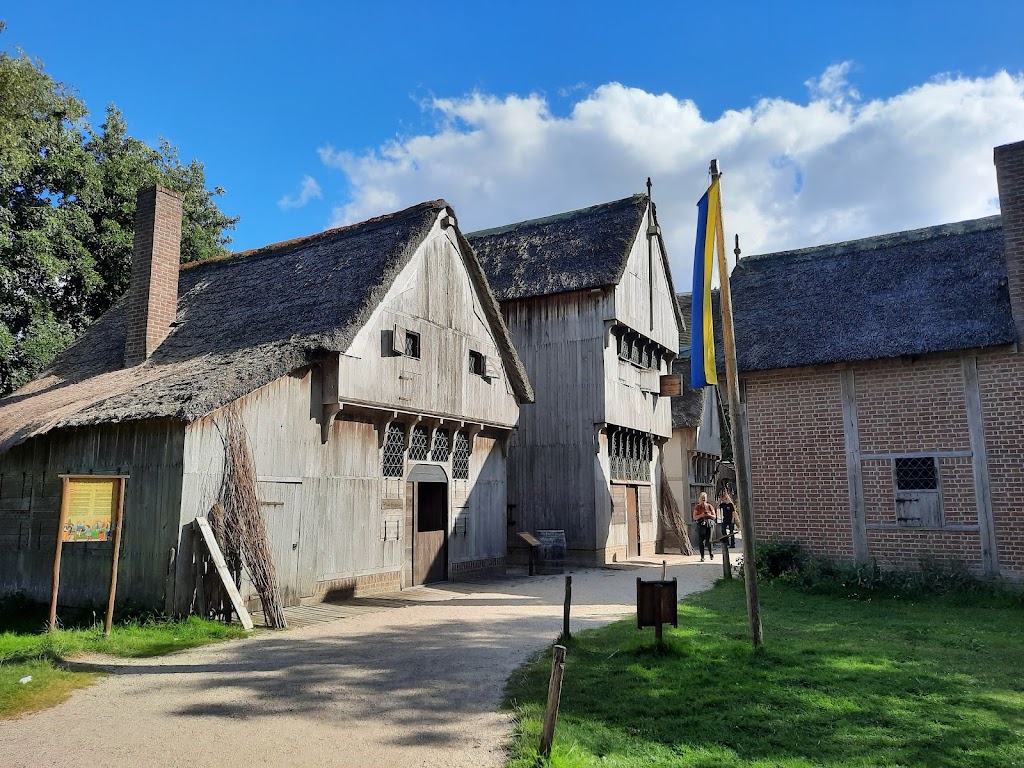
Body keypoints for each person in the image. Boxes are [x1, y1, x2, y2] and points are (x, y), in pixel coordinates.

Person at [693, 491, 716, 562]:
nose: (703, 500)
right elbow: (694, 517)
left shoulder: (709, 506)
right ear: (700, 498)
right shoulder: (697, 507)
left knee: (709, 540)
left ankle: (711, 553)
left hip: (709, 524)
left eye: (704, 498)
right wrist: (701, 515)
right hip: (701, 524)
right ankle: (702, 556)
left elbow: (714, 516)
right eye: (702, 498)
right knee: (701, 541)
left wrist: (708, 515)